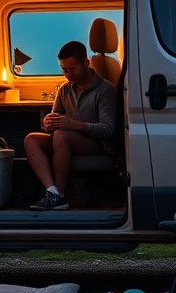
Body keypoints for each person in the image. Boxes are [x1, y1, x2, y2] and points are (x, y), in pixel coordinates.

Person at [25, 40, 117, 211]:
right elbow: (56, 120)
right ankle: (51, 191)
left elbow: (109, 129)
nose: (68, 74)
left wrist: (74, 125)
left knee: (61, 135)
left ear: (86, 63)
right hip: (67, 140)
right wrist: (48, 123)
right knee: (32, 140)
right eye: (64, 70)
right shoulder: (65, 89)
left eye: (72, 69)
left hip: (97, 143)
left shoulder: (105, 90)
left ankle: (60, 194)